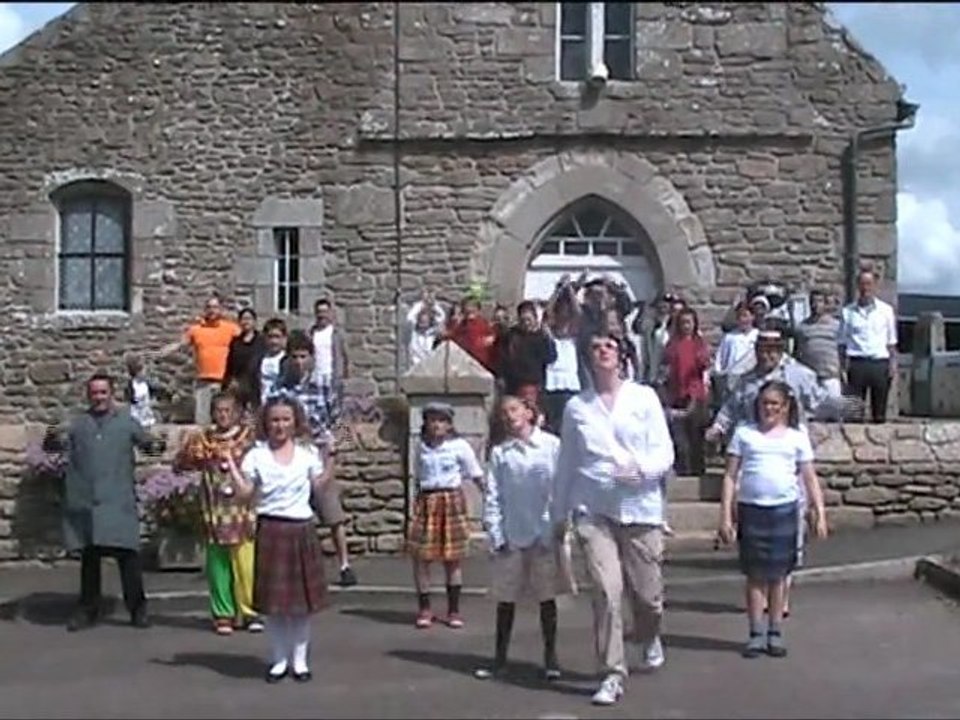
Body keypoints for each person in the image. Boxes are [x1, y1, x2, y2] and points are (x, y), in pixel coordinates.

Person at [553, 332, 676, 707]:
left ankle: (649, 633)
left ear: (622, 356)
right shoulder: (578, 407)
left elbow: (665, 450)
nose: (602, 350)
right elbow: (567, 464)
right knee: (606, 592)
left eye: (609, 345)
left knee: (648, 596)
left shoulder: (644, 398)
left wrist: (644, 470)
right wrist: (559, 516)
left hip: (640, 508)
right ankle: (611, 673)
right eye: (595, 346)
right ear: (588, 358)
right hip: (594, 511)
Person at [43, 373, 166, 632]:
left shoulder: (126, 422)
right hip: (87, 501)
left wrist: (158, 442)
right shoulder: (79, 424)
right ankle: (88, 608)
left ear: (112, 394)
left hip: (117, 499)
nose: (99, 397)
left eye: (103, 392)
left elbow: (150, 448)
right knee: (90, 559)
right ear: (88, 395)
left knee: (128, 558)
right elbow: (53, 448)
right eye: (94, 393)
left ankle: (137, 609)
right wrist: (51, 435)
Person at [717, 380, 828, 659]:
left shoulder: (796, 437)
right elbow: (730, 476)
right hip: (751, 510)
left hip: (784, 510)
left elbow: (809, 477)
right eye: (765, 403)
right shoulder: (744, 434)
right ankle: (755, 633)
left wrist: (820, 513)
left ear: (785, 407)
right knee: (754, 575)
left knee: (779, 575)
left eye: (775, 404)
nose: (769, 409)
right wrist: (725, 517)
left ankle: (775, 631)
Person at [225, 395, 329, 684]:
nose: (280, 425)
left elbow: (318, 486)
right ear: (266, 423)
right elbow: (245, 494)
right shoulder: (256, 455)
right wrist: (232, 468)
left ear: (295, 421)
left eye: (285, 419)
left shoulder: (308, 453)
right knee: (275, 605)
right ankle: (279, 660)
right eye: (274, 420)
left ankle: (300, 661)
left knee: (301, 605)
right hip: (271, 528)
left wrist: (334, 458)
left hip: (301, 529)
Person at [474, 396, 571, 682]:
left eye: (514, 410)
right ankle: (499, 659)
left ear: (529, 412)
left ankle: (551, 658)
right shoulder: (501, 452)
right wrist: (496, 533)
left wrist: (555, 527)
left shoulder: (552, 446)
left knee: (546, 599)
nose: (508, 416)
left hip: (544, 533)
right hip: (512, 534)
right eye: (504, 412)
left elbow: (560, 490)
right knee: (505, 600)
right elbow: (494, 494)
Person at [270, 330, 357, 587]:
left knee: (332, 512)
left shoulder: (322, 385)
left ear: (311, 358)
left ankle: (344, 565)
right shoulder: (280, 388)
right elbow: (266, 415)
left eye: (303, 356)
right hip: (290, 453)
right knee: (292, 513)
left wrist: (338, 449)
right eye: (294, 356)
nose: (298, 362)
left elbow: (339, 418)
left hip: (318, 452)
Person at [173, 392, 262, 635]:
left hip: (242, 509)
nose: (223, 415)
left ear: (237, 413)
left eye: (228, 411)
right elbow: (181, 464)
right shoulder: (204, 439)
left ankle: (250, 610)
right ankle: (223, 613)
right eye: (219, 411)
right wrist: (186, 451)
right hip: (214, 509)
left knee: (245, 564)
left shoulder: (248, 438)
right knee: (218, 565)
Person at [408, 402, 484, 629]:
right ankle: (424, 608)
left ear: (450, 425)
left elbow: (476, 475)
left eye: (441, 420)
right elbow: (417, 477)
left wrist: (491, 500)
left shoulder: (459, 447)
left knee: (452, 559)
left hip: (451, 500)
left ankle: (453, 610)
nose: (437, 425)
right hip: (427, 500)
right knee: (421, 558)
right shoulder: (421, 447)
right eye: (432, 420)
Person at [157, 294, 240, 425]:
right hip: (203, 381)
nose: (212, 310)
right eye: (209, 307)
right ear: (205, 310)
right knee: (202, 422)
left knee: (225, 420)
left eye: (215, 307)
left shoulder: (230, 329)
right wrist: (163, 352)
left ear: (220, 309)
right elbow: (180, 344)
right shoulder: (196, 330)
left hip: (224, 381)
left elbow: (246, 343)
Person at [839, 269, 898, 423]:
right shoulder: (848, 312)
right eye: (862, 284)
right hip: (857, 363)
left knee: (879, 412)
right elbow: (842, 343)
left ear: (875, 286)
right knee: (854, 412)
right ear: (858, 286)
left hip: (879, 363)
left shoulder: (886, 311)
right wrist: (842, 368)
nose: (866, 288)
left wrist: (892, 365)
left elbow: (891, 341)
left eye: (869, 284)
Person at [660, 307, 712, 476]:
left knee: (696, 434)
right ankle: (683, 469)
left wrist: (702, 360)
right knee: (679, 437)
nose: (686, 326)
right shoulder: (673, 344)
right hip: (677, 393)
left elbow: (705, 364)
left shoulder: (698, 344)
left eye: (689, 322)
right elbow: (666, 365)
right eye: (683, 323)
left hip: (695, 394)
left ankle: (697, 469)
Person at [497, 300, 557, 409]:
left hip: (532, 383)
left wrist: (547, 337)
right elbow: (502, 357)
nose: (526, 323)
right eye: (523, 320)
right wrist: (501, 375)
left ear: (534, 319)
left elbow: (551, 357)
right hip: (511, 382)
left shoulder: (541, 337)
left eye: (529, 320)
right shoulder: (511, 335)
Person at [542, 275, 582, 435]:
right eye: (561, 315)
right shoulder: (550, 334)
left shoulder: (574, 335)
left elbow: (577, 312)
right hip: (552, 382)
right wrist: (558, 290)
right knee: (553, 422)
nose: (563, 320)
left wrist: (570, 290)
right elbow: (547, 313)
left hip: (570, 383)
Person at [794, 289, 843, 400]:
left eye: (819, 301)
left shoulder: (837, 326)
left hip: (830, 377)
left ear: (825, 304)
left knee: (833, 413)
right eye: (812, 302)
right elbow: (797, 351)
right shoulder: (802, 327)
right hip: (809, 378)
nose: (815, 305)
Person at [711, 301, 758, 410]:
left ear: (753, 317)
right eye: (740, 316)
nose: (743, 320)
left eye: (746, 316)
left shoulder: (757, 336)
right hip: (732, 379)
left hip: (752, 377)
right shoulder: (730, 337)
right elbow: (721, 359)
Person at [223, 308, 267, 412]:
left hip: (255, 384)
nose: (246, 322)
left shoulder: (262, 341)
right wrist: (227, 382)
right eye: (243, 319)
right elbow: (230, 364)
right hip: (238, 385)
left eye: (249, 319)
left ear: (254, 321)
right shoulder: (235, 342)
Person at [406, 289, 446, 367]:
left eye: (425, 322)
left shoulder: (432, 332)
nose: (423, 324)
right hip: (416, 363)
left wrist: (434, 305)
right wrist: (422, 303)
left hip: (431, 364)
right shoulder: (415, 332)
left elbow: (441, 317)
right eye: (421, 322)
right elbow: (409, 318)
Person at [123, 353, 162, 429]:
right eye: (142, 371)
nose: (144, 373)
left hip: (148, 418)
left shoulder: (147, 383)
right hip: (136, 418)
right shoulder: (131, 385)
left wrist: (154, 399)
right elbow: (130, 401)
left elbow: (156, 392)